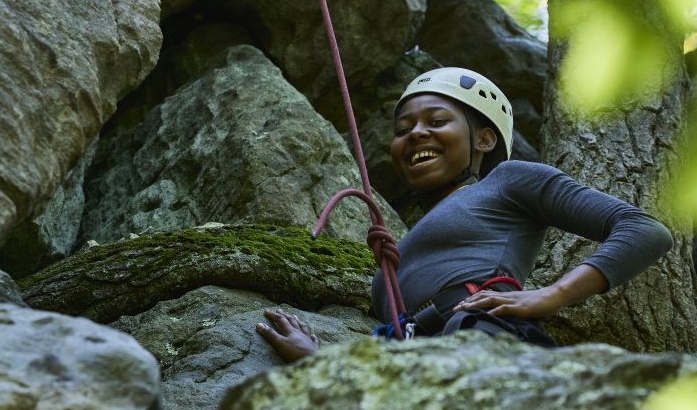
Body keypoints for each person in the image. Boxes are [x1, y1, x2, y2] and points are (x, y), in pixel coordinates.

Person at [256, 67, 675, 362]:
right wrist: (319, 360)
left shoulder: (508, 181)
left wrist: (551, 295)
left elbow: (645, 230)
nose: (416, 132)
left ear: (485, 139)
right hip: (425, 368)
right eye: (403, 129)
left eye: (437, 120)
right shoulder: (394, 260)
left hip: (486, 337)